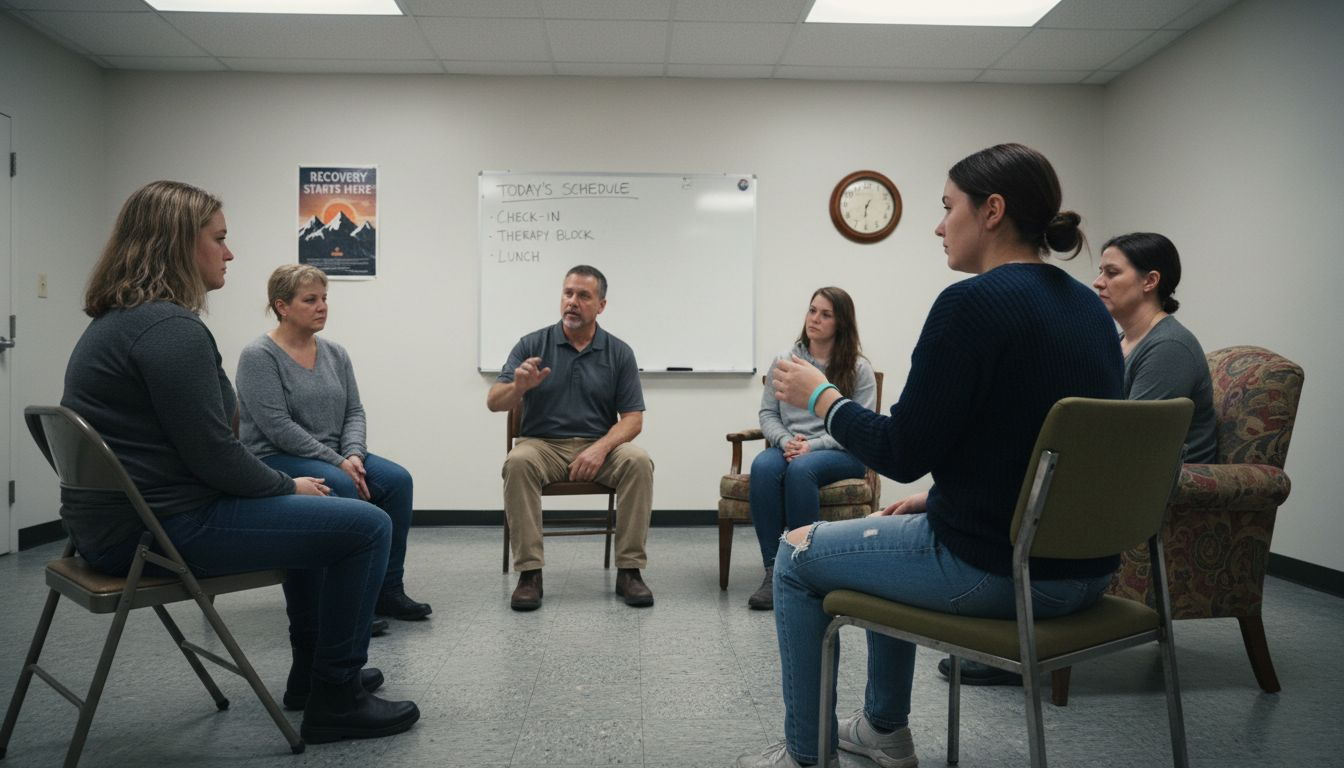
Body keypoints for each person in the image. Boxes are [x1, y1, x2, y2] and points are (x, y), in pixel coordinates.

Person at [735, 143, 1124, 768]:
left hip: (998, 571)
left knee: (795, 552)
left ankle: (807, 756)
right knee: (898, 525)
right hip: (1086, 573)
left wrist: (824, 397)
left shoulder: (970, 305)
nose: (939, 225)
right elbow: (1032, 445)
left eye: (948, 207)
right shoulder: (1088, 307)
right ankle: (882, 731)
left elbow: (901, 451)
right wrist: (942, 499)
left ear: (992, 210)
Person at [60, 180, 418, 744]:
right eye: (220, 239)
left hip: (111, 524)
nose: (229, 253)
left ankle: (310, 675)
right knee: (365, 526)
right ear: (179, 245)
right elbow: (218, 455)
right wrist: (286, 484)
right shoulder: (170, 330)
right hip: (156, 529)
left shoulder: (119, 322)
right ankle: (336, 694)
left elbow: (208, 448)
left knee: (320, 519)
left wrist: (293, 485)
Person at [939, 230, 1219, 687]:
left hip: (1159, 485)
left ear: (1151, 281)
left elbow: (1129, 443)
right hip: (1116, 469)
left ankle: (1027, 644)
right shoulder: (1120, 340)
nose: (1098, 282)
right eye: (1100, 271)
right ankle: (1019, 638)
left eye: (1112, 272)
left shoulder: (1167, 347)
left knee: (1026, 498)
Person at [235, 264, 431, 623]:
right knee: (338, 483)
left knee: (398, 481)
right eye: (310, 300)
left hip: (337, 455)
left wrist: (353, 453)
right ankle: (342, 603)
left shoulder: (336, 353)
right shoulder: (258, 356)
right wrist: (338, 462)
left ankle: (386, 591)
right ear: (282, 306)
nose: (322, 306)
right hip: (278, 457)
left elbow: (354, 410)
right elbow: (278, 427)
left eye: (324, 298)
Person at [486, 264, 655, 610]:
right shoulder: (532, 343)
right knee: (517, 463)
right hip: (542, 445)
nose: (572, 302)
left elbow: (633, 420)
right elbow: (493, 402)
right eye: (567, 293)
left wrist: (601, 448)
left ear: (601, 305)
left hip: (599, 446)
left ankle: (630, 570)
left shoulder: (618, 352)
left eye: (583, 295)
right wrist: (517, 387)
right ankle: (530, 574)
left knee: (638, 462)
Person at [747, 287, 877, 611]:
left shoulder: (859, 369)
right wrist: (783, 441)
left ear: (841, 323)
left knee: (802, 470)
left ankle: (808, 570)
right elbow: (768, 414)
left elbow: (860, 426)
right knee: (763, 466)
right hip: (791, 446)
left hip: (840, 451)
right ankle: (774, 570)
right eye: (812, 310)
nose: (814, 319)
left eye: (825, 314)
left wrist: (812, 446)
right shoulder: (784, 360)